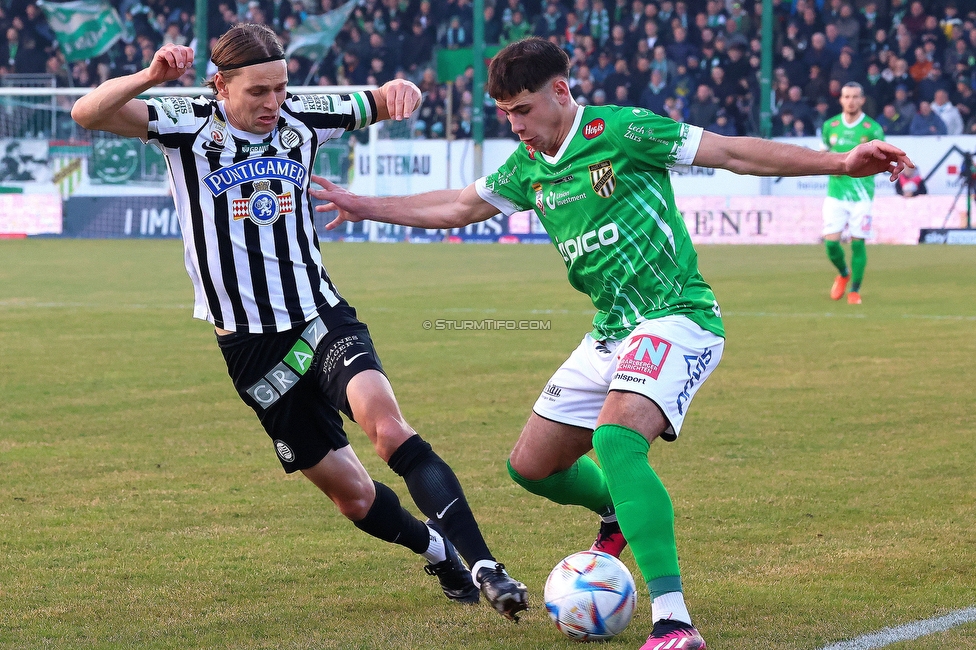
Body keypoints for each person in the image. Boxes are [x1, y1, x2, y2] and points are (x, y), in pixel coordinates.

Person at [310, 37, 912, 650]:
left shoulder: (622, 132)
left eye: (522, 110)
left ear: (561, 92)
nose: (515, 125)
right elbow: (459, 205)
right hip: (611, 330)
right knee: (531, 467)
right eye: (506, 115)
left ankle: (674, 620)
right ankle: (620, 511)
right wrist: (362, 205)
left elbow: (730, 152)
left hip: (676, 315)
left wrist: (839, 163)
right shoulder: (528, 167)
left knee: (617, 442)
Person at [69, 24, 528, 622]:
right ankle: (438, 551)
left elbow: (385, 99)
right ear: (220, 86)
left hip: (319, 315)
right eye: (257, 92)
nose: (272, 104)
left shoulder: (305, 114)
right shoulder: (182, 119)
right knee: (354, 497)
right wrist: (152, 78)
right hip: (251, 349)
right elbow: (88, 113)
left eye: (281, 89)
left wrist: (402, 89)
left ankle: (486, 566)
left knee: (387, 429)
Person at [821, 82, 887, 305]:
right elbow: (823, 154)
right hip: (835, 194)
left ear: (862, 100)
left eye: (855, 97)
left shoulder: (872, 128)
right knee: (831, 244)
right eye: (846, 96)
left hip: (862, 195)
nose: (850, 101)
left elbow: (881, 159)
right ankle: (843, 272)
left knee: (858, 243)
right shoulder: (830, 126)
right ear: (840, 99)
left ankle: (855, 291)